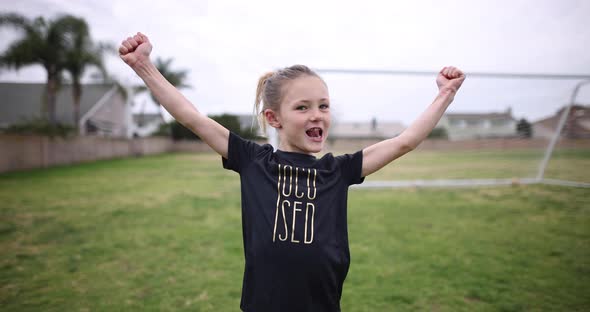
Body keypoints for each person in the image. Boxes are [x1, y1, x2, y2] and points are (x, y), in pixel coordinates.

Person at [119, 32, 465, 312]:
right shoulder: (254, 161)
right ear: (274, 118)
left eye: (323, 106)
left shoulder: (339, 170)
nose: (317, 115)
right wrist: (144, 66)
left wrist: (445, 95)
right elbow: (191, 117)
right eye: (303, 107)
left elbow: (404, 141)